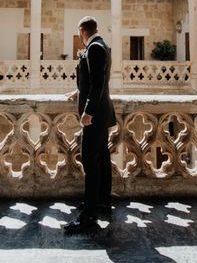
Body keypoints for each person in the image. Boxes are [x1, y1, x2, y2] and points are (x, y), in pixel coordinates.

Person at [63, 16, 116, 234]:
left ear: (82, 30)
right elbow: (95, 79)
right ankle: (102, 201)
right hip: (102, 113)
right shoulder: (101, 45)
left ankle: (89, 215)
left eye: (78, 33)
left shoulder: (94, 48)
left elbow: (99, 84)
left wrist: (88, 112)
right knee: (102, 157)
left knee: (89, 161)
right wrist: (78, 91)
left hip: (95, 116)